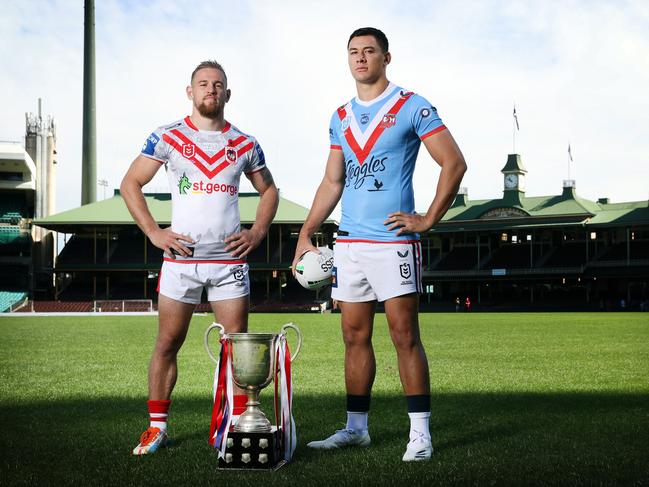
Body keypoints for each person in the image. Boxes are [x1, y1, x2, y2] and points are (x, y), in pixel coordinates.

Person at [292, 27, 466, 461]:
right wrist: (305, 230)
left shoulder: (412, 106)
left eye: (370, 51)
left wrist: (427, 218)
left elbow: (454, 162)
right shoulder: (339, 116)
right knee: (354, 336)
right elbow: (333, 180)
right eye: (354, 51)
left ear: (387, 57)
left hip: (393, 243)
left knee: (404, 335)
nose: (361, 58)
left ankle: (420, 434)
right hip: (349, 242)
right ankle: (356, 429)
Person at [121, 60, 279, 455]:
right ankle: (157, 427)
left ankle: (238, 426)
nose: (211, 89)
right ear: (189, 92)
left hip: (228, 263)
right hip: (181, 261)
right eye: (203, 84)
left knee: (236, 348)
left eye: (218, 84)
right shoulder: (168, 136)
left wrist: (257, 232)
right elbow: (130, 183)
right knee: (167, 343)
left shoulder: (245, 143)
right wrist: (155, 233)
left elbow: (270, 191)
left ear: (228, 94)